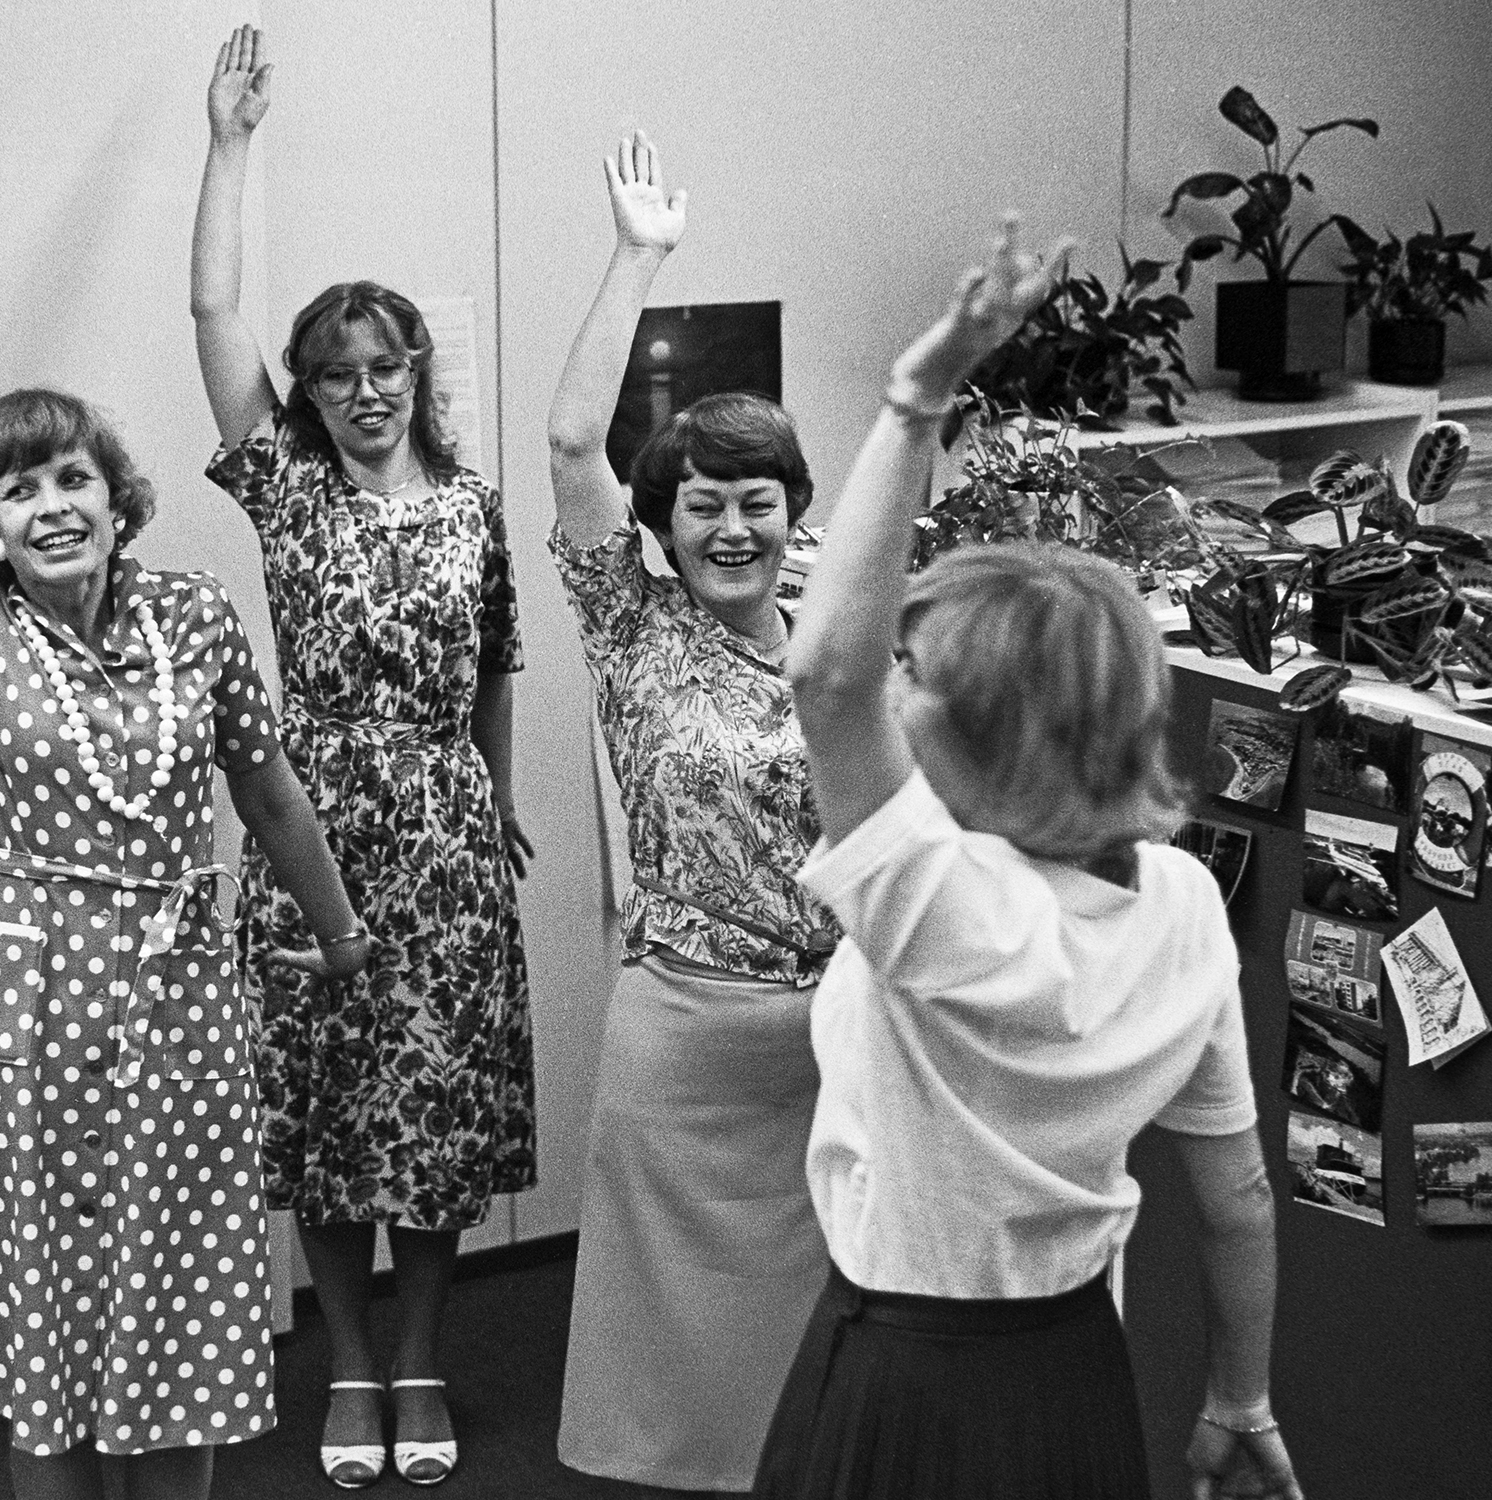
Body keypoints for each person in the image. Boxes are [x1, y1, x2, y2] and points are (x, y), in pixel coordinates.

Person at [0, 34, 369, 1500]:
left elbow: (269, 794)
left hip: (181, 993)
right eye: (17, 488)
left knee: (181, 1305)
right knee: (46, 1329)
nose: (50, 503)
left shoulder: (196, 614)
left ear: (116, 500)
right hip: (29, 996)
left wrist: (341, 937)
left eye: (72, 478)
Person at [760, 216, 1299, 1500]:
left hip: (906, 1380)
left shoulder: (954, 915)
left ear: (995, 733)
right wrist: (1240, 1399)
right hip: (1073, 1372)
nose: (889, 690)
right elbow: (1237, 1193)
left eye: (915, 674)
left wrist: (917, 396)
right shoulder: (1182, 900)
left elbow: (823, 673)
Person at [191, 25, 535, 1487]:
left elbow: (499, 657)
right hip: (314, 820)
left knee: (435, 1111)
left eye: (386, 365)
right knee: (328, 1111)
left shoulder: (472, 503)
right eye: (336, 375)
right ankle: (346, 1365)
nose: (365, 390)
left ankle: (424, 1356)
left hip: (446, 825)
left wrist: (497, 792)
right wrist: (230, 144)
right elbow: (212, 311)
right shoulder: (288, 491)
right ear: (310, 395)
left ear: (416, 372)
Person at [542, 133, 837, 1497]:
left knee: (824, 1349)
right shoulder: (633, 627)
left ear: (793, 514)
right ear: (661, 523)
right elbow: (568, 441)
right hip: (684, 1035)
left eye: (756, 502)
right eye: (701, 505)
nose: (730, 528)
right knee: (675, 1363)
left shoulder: (843, 639)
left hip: (837, 1038)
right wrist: (637, 255)